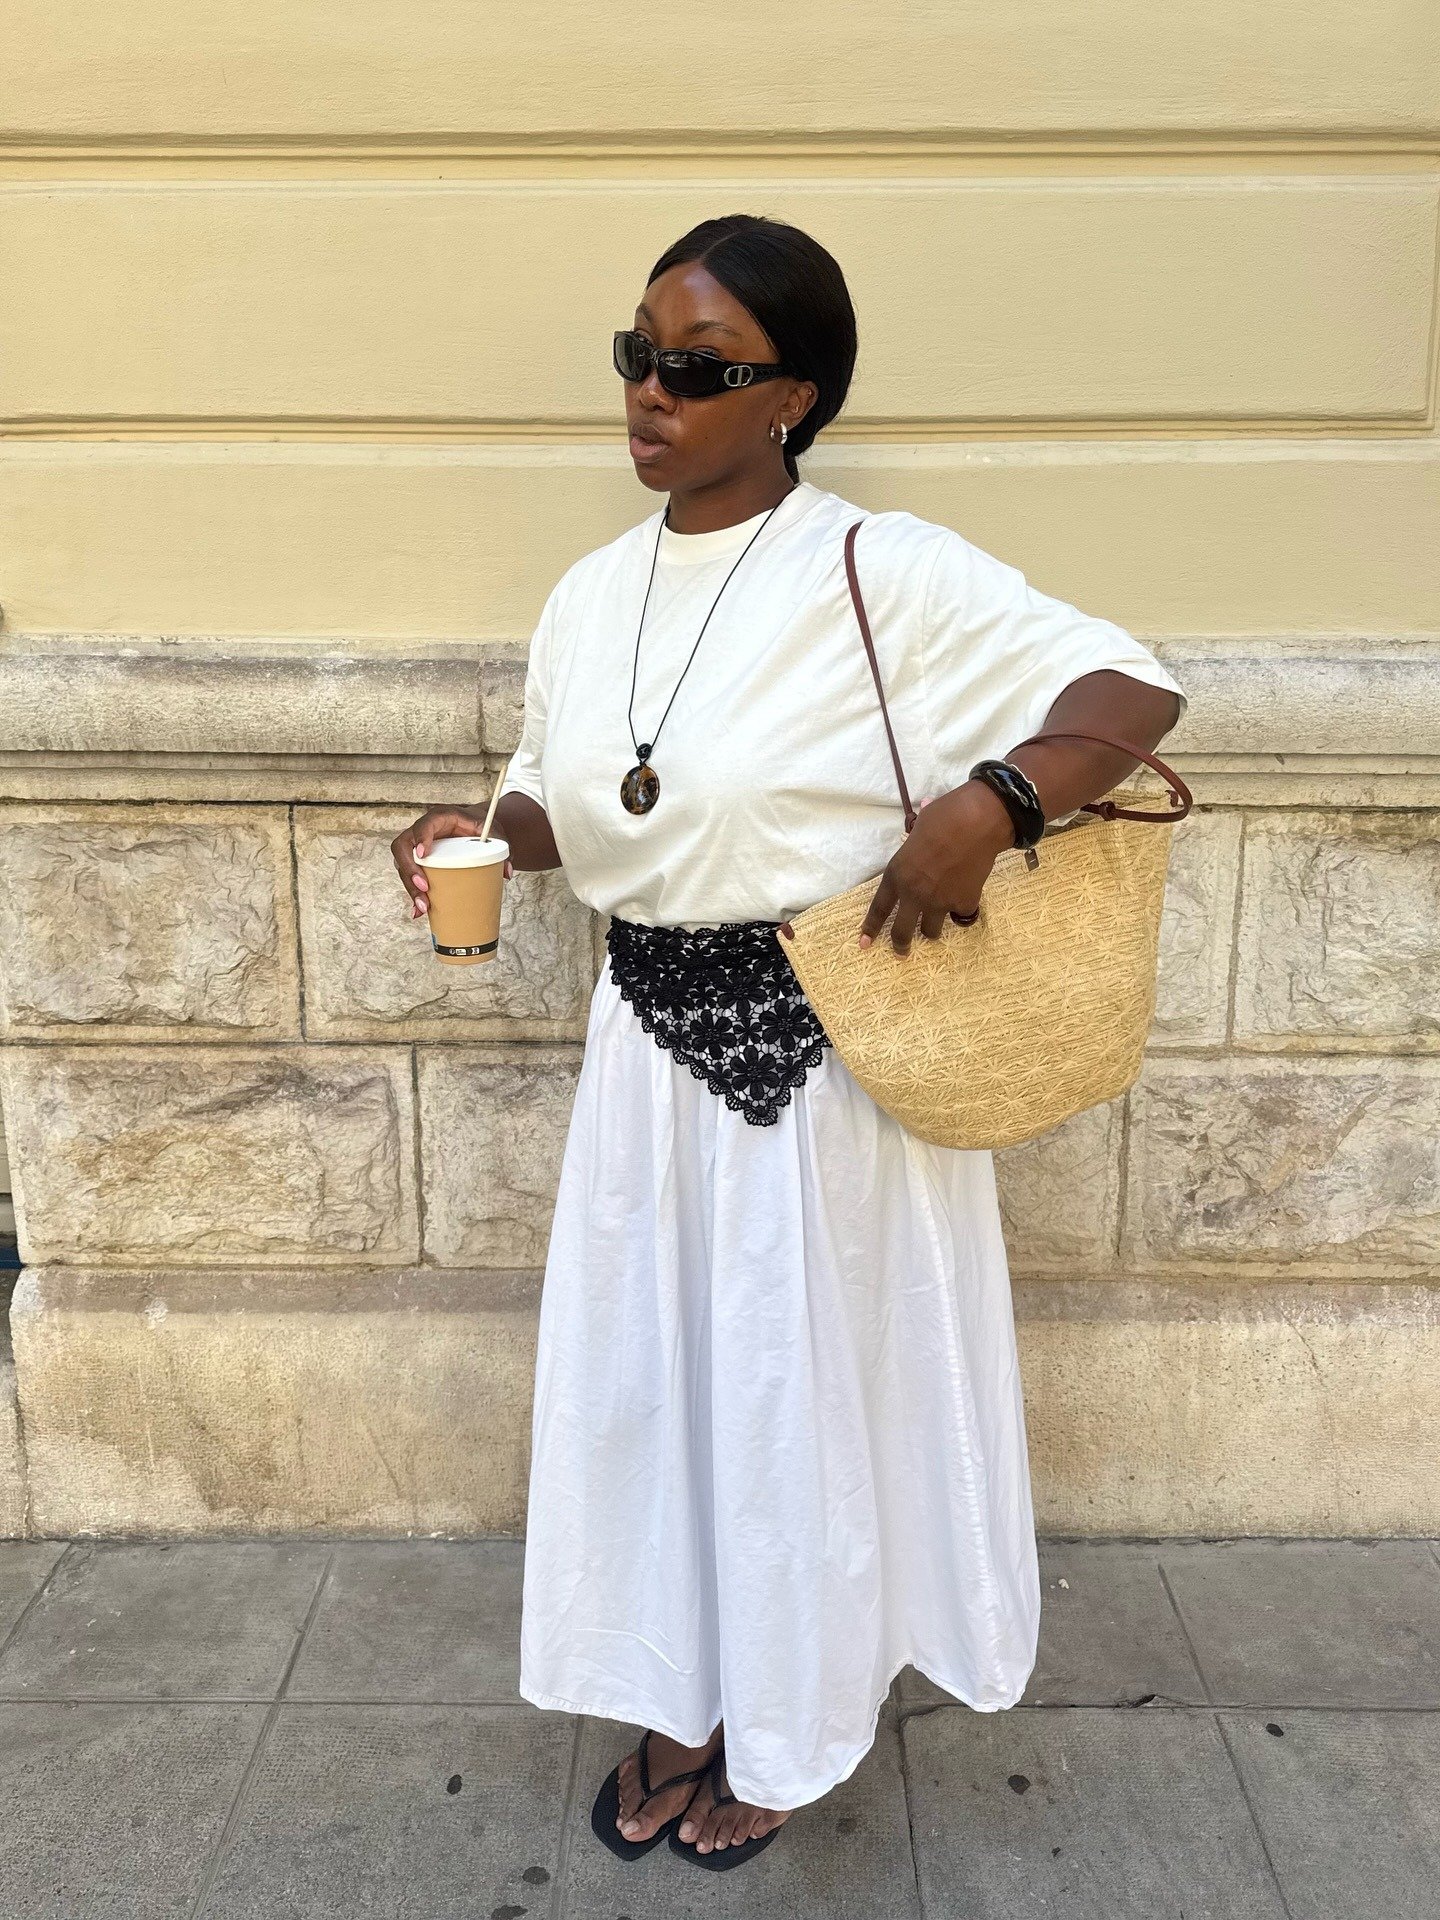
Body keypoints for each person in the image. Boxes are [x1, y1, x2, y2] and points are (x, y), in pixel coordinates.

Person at [391, 212, 1186, 1873]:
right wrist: (477, 838)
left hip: (830, 1059)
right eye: (638, 355)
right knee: (655, 1393)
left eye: (699, 368)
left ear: (792, 399)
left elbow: (1128, 690)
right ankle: (678, 1695)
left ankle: (793, 1719)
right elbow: (563, 802)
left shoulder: (884, 569)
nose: (651, 393)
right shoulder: (590, 596)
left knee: (795, 1400)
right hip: (643, 1059)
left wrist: (992, 803)